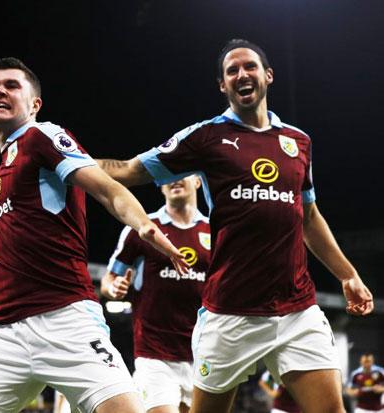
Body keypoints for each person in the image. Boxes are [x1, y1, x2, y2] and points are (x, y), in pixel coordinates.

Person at [96, 39, 374, 413]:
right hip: (230, 313)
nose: (242, 74)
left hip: (296, 310)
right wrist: (66, 163)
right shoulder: (206, 138)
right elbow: (129, 170)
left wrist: (347, 274)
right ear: (223, 86)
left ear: (267, 76)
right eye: (232, 71)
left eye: (250, 67)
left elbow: (308, 215)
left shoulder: (298, 142)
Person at [0, 57, 188, 413]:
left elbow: (108, 190)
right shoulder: (1, 173)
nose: (0, 91)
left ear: (35, 104)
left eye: (12, 85)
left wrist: (142, 224)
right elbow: (14, 251)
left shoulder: (42, 136)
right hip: (0, 332)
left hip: (65, 319)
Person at [101, 175, 209, 413]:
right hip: (154, 355)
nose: (175, 180)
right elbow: (108, 280)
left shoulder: (215, 231)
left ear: (199, 181)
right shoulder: (144, 228)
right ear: (160, 185)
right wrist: (114, 288)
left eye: (184, 173)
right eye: (168, 176)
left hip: (203, 354)